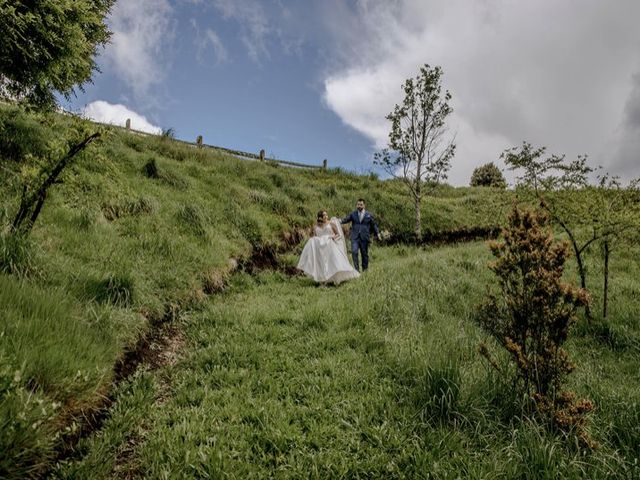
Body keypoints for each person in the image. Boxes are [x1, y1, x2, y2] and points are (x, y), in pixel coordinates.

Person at [297, 210, 360, 284]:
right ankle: (322, 280)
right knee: (321, 263)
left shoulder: (331, 224)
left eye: (326, 215)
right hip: (320, 247)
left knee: (332, 262)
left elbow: (338, 234)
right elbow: (314, 236)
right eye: (324, 215)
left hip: (330, 244)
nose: (326, 216)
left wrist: (333, 237)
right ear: (320, 217)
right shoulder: (316, 226)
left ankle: (333, 278)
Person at [341, 198, 380, 271]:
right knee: (354, 252)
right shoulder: (353, 214)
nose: (359, 206)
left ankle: (365, 270)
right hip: (354, 237)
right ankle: (356, 270)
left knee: (364, 254)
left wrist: (377, 233)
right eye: (358, 204)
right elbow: (345, 219)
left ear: (364, 205)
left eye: (361, 205)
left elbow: (374, 225)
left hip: (364, 237)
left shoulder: (369, 215)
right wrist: (338, 221)